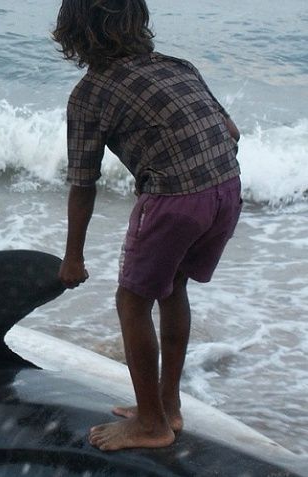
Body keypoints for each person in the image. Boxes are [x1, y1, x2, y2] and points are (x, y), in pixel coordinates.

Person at [53, 0, 242, 451]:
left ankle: (151, 425)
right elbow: (232, 132)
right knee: (173, 288)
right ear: (138, 22)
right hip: (227, 188)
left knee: (132, 302)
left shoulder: (89, 95)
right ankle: (167, 405)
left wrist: (73, 256)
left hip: (175, 200)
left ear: (74, 34)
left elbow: (83, 183)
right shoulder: (179, 66)